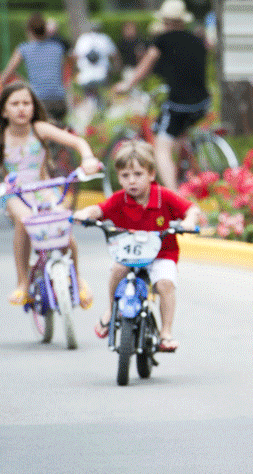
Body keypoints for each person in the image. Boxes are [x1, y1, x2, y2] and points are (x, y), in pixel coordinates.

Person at [0, 81, 99, 308]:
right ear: (3, 110)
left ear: (33, 107)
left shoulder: (40, 129)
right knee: (24, 221)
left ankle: (77, 279)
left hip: (44, 190)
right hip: (15, 194)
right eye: (15, 104)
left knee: (62, 222)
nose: (21, 108)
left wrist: (87, 158)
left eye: (26, 103)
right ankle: (22, 282)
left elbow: (77, 142)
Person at [72, 140, 202, 353]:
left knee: (165, 284)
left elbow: (191, 209)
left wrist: (189, 221)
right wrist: (85, 213)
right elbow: (100, 209)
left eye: (138, 174)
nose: (132, 181)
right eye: (125, 176)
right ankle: (111, 310)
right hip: (129, 255)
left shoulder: (163, 196)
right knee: (116, 270)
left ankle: (166, 333)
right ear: (119, 177)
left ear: (151, 174)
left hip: (162, 254)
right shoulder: (119, 199)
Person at [114, 0, 210, 191]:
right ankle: (185, 175)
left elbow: (145, 67)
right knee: (177, 133)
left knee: (161, 148)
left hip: (180, 103)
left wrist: (126, 85)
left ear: (164, 21)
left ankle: (175, 197)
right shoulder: (197, 40)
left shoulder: (162, 40)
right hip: (203, 102)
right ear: (183, 21)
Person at [0, 12, 70, 123]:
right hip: (59, 100)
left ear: (29, 31)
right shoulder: (58, 48)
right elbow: (61, 76)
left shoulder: (24, 49)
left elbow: (6, 75)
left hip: (39, 101)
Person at [73, 20, 119, 107]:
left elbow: (75, 56)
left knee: (89, 98)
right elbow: (114, 54)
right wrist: (116, 68)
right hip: (102, 74)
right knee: (103, 97)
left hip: (85, 76)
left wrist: (75, 70)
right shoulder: (105, 38)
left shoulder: (83, 38)